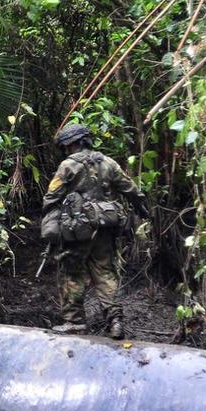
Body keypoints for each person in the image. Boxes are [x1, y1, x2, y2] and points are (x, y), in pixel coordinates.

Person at [41, 123, 148, 338]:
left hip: (76, 231)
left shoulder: (68, 166)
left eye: (66, 146)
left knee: (72, 273)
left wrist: (51, 223)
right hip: (105, 228)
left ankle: (75, 322)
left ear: (73, 144)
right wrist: (141, 208)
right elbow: (130, 189)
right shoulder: (108, 163)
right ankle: (115, 320)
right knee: (105, 272)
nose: (65, 150)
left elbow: (52, 197)